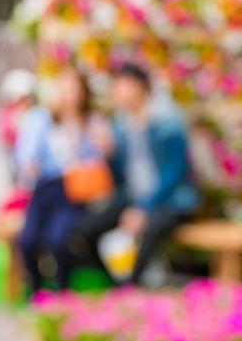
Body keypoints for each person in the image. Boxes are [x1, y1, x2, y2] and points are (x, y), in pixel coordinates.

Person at [76, 63, 198, 287]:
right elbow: (118, 178)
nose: (117, 93)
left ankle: (132, 288)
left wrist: (143, 207)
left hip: (172, 200)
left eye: (121, 86)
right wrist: (108, 154)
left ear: (140, 87)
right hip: (134, 198)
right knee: (84, 231)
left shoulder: (168, 123)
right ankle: (117, 287)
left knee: (150, 228)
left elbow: (173, 173)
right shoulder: (120, 127)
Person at [15, 66, 111, 294]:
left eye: (74, 89)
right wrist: (29, 166)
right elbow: (26, 156)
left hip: (73, 191)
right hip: (45, 188)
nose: (69, 95)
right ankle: (36, 287)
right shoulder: (41, 120)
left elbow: (101, 157)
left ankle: (61, 289)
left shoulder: (91, 122)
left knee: (58, 239)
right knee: (27, 240)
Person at [0, 68, 35, 185]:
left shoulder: (34, 113)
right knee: (15, 172)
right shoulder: (5, 112)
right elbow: (1, 130)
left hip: (29, 152)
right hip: (13, 148)